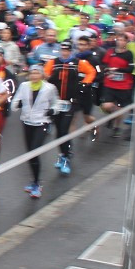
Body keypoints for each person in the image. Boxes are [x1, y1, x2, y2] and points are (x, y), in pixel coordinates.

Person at [44, 41, 97, 174]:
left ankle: (66, 157)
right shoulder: (53, 62)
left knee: (64, 129)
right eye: (63, 49)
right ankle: (63, 154)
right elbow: (45, 74)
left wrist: (84, 84)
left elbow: (91, 72)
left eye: (67, 50)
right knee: (58, 131)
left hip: (71, 102)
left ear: (71, 51)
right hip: (56, 102)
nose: (64, 52)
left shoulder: (79, 62)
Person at [10, 65, 59, 199]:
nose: (34, 76)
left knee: (34, 151)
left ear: (42, 75)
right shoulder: (24, 86)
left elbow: (57, 104)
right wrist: (16, 105)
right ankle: (34, 180)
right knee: (29, 154)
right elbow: (15, 101)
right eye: (32, 73)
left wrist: (52, 111)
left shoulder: (49, 88)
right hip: (27, 122)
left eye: (37, 73)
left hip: (42, 122)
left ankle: (37, 183)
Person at [100, 32, 135, 138]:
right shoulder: (110, 52)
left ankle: (116, 127)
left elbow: (130, 69)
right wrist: (107, 71)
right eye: (119, 39)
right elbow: (103, 64)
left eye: (123, 40)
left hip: (123, 85)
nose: (120, 42)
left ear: (126, 42)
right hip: (109, 84)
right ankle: (112, 115)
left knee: (120, 109)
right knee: (106, 106)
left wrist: (118, 70)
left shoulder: (129, 54)